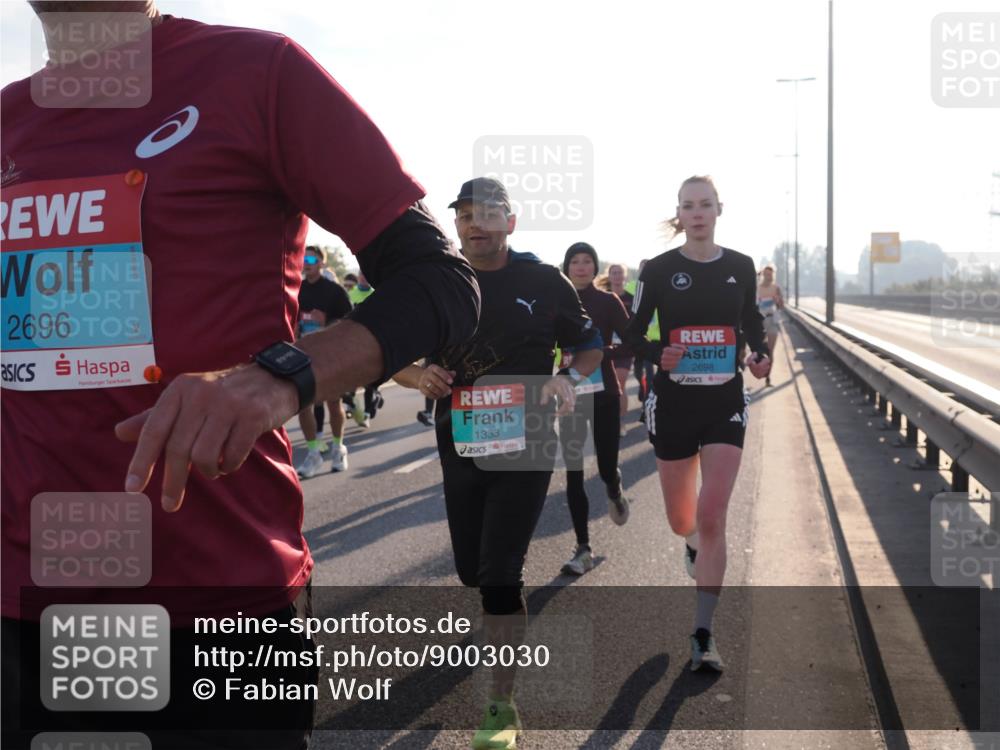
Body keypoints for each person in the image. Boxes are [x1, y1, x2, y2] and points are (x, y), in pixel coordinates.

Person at [0, 4, 480, 748]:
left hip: (219, 604)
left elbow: (440, 282)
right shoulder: (9, 119)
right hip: (25, 607)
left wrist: (278, 376)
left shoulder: (257, 73)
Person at [393, 177, 602, 750]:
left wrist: (567, 378)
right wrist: (419, 375)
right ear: (454, 224)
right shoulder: (435, 282)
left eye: (488, 213)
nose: (475, 223)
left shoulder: (542, 280)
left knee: (501, 573)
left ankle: (501, 704)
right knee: (472, 571)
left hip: (527, 442)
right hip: (459, 445)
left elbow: (590, 345)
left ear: (511, 220)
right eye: (465, 215)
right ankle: (496, 632)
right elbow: (392, 357)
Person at [624, 175, 770, 673]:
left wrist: (760, 352)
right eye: (689, 206)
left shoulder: (740, 265)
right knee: (682, 521)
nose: (698, 212)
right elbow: (630, 330)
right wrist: (654, 353)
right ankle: (690, 545)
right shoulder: (659, 269)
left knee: (713, 515)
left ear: (719, 209)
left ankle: (704, 634)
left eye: (706, 204)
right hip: (674, 404)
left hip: (725, 400)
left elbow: (750, 318)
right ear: (680, 214)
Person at [558, 243, 631, 577]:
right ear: (567, 266)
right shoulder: (554, 303)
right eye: (575, 261)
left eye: (587, 261)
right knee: (573, 474)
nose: (582, 266)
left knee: (604, 469)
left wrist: (601, 353)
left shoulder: (607, 301)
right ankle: (583, 548)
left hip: (604, 397)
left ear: (594, 266)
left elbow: (631, 341)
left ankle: (614, 488)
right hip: (571, 398)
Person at [295, 246, 353, 477]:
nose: (305, 262)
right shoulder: (295, 290)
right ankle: (313, 454)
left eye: (310, 258)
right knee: (303, 406)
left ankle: (339, 447)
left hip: (329, 356)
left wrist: (326, 328)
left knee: (332, 403)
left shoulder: (334, 291)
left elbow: (349, 322)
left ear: (321, 263)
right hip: (301, 354)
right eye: (302, 258)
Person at [604, 263, 635, 436]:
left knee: (620, 383)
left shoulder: (631, 298)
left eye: (619, 273)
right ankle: (608, 419)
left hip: (624, 349)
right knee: (607, 387)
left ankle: (620, 421)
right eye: (613, 273)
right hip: (606, 347)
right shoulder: (603, 297)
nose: (616, 276)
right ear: (609, 276)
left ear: (625, 276)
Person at [627, 259, 660, 420]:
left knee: (653, 375)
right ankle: (642, 387)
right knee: (639, 372)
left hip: (658, 339)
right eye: (642, 267)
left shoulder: (659, 286)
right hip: (640, 338)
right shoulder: (632, 287)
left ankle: (648, 405)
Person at [756, 263, 784, 386]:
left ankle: (768, 377)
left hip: (772, 321)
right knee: (758, 349)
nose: (768, 276)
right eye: (766, 274)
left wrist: (778, 301)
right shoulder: (757, 288)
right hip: (759, 322)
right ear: (763, 275)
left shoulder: (776, 288)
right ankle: (759, 372)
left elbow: (781, 306)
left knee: (770, 350)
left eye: (770, 274)